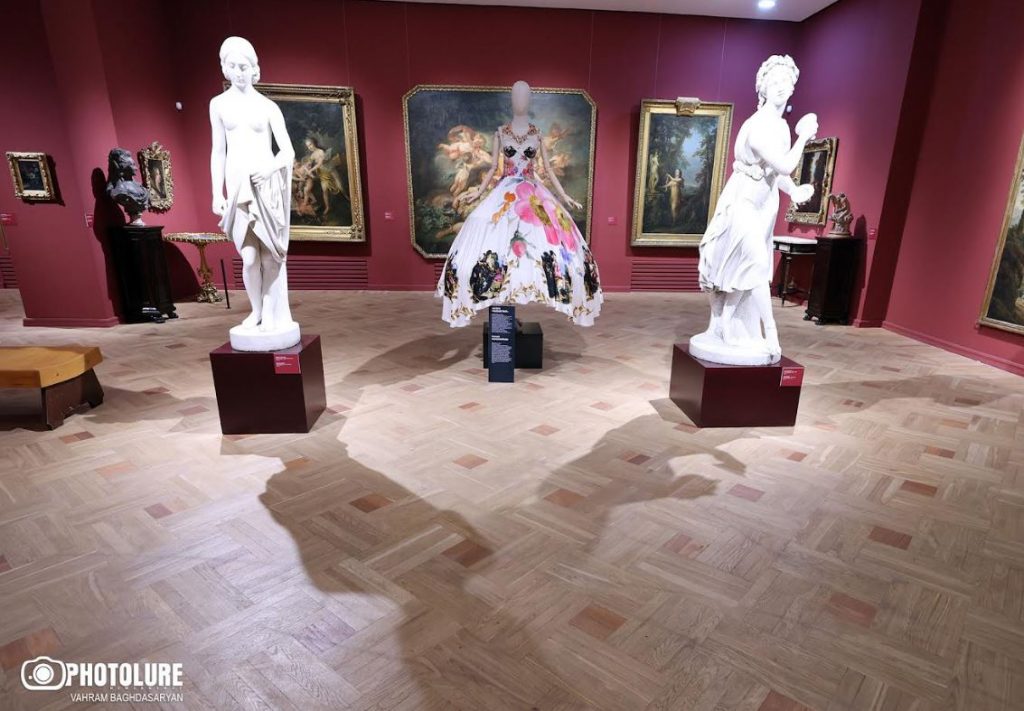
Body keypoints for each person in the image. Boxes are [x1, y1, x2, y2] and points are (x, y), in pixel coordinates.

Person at [436, 80, 603, 327]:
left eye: (524, 96)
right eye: (516, 96)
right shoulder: (501, 133)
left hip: (531, 192)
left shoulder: (537, 134)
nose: (520, 101)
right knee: (495, 237)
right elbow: (492, 168)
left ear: (529, 99)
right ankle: (499, 294)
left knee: (541, 241)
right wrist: (478, 193)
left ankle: (530, 287)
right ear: (512, 100)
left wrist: (564, 196)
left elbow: (548, 170)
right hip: (504, 191)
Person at [693, 55, 817, 364]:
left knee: (741, 269)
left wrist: (793, 190)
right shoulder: (759, 125)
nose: (781, 87)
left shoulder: (780, 126)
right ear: (762, 88)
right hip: (743, 203)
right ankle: (770, 332)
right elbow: (785, 163)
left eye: (786, 82)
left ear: (793, 88)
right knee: (756, 265)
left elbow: (775, 171)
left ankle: (725, 325)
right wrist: (804, 136)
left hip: (764, 207)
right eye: (774, 82)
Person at [209, 36, 299, 350]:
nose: (239, 72)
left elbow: (287, 152)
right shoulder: (218, 105)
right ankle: (257, 311)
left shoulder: (268, 107)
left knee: (270, 255)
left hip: (265, 186)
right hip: (237, 187)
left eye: (244, 66)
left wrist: (271, 169)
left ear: (254, 68)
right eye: (233, 66)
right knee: (248, 258)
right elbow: (218, 151)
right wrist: (216, 193)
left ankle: (272, 312)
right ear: (225, 68)